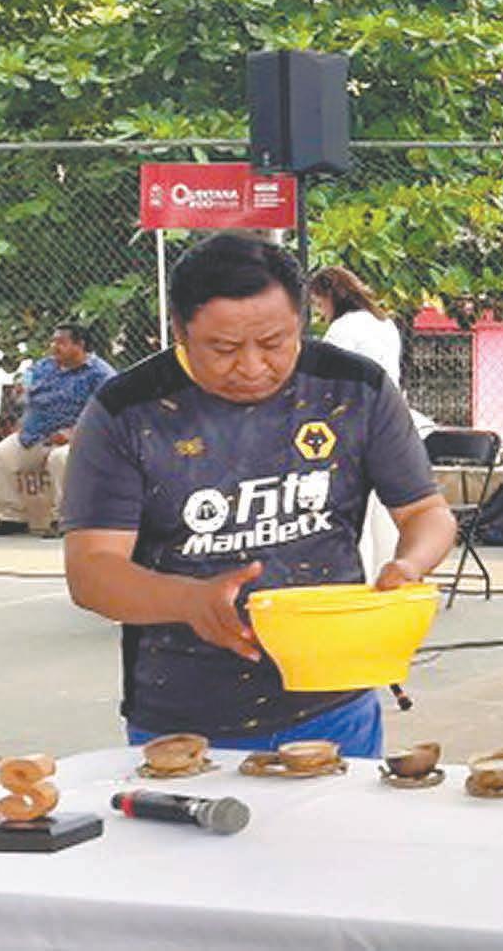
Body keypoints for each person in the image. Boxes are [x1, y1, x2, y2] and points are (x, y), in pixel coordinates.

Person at [61, 234, 456, 757]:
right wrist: (189, 601)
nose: (251, 367)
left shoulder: (353, 387)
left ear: (302, 320)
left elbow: (427, 512)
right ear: (179, 330)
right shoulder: (126, 411)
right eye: (223, 349)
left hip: (336, 701)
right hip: (184, 718)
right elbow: (91, 572)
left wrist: (409, 565)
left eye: (274, 343)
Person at [308, 265, 405, 579]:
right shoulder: (384, 323)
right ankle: (391, 572)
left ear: (330, 296)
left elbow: (327, 380)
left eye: (319, 303)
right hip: (391, 417)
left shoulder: (342, 330)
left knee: (354, 504)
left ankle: (356, 576)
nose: (320, 312)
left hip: (353, 422)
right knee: (386, 509)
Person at [0, 323, 114, 536]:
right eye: (53, 341)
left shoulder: (100, 374)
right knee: (0, 456)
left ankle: (66, 519)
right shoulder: (45, 366)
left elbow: (106, 412)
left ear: (79, 345)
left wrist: (73, 433)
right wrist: (22, 392)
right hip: (36, 435)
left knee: (60, 459)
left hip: (79, 437)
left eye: (61, 342)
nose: (54, 347)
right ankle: (11, 517)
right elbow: (27, 385)